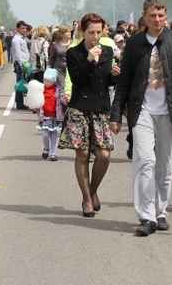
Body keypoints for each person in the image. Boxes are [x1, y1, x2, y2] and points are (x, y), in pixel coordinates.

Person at [110, 0, 172, 236]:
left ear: (166, 15)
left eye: (161, 15)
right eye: (152, 15)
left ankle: (161, 212)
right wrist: (116, 113)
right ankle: (147, 216)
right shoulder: (134, 43)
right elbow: (125, 80)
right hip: (141, 109)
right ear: (144, 16)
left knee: (164, 164)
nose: (157, 19)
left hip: (170, 109)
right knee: (144, 161)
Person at [59, 13, 119, 217]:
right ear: (83, 32)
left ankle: (93, 190)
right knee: (83, 154)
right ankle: (86, 198)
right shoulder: (74, 52)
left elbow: (104, 81)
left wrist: (113, 76)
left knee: (104, 155)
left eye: (99, 32)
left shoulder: (108, 51)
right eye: (91, 32)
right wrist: (89, 60)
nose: (96, 36)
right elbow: (77, 79)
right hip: (80, 107)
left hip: (101, 108)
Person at [38, 68, 64, 161]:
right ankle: (46, 148)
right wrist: (34, 106)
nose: (46, 83)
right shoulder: (41, 89)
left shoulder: (58, 90)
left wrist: (67, 98)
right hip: (44, 116)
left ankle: (53, 153)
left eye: (48, 81)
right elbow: (37, 100)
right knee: (45, 134)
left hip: (55, 116)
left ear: (54, 81)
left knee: (53, 135)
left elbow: (63, 100)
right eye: (45, 80)